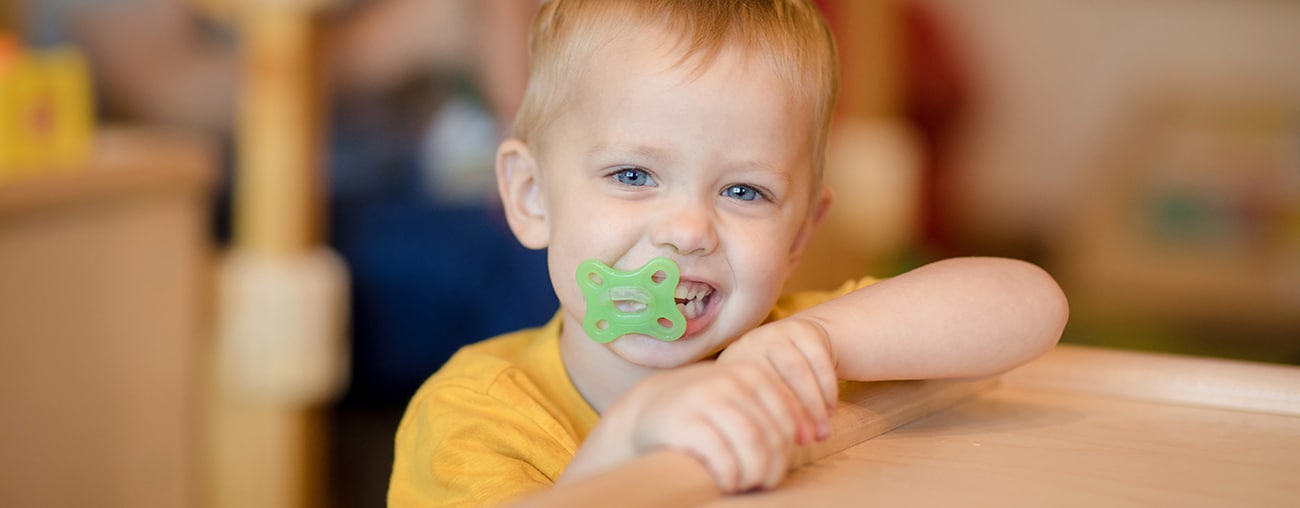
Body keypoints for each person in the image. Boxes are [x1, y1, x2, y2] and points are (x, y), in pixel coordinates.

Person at [388, 0, 1069, 505]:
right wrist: (630, 439)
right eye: (633, 176)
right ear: (532, 196)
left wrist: (825, 340)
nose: (688, 230)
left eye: (744, 190)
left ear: (801, 232)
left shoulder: (794, 357)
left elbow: (1034, 305)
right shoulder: (474, 412)